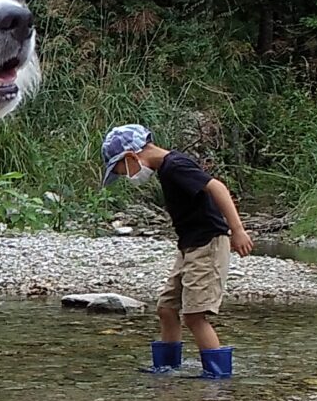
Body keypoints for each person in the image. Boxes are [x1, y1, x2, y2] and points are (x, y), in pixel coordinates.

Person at [100, 121, 254, 377]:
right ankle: (168, 368)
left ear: (131, 156)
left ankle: (218, 377)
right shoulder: (167, 170)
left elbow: (217, 187)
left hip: (208, 244)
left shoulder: (176, 166)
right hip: (189, 247)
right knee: (167, 308)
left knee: (194, 316)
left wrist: (237, 230)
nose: (127, 176)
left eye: (123, 170)